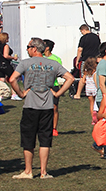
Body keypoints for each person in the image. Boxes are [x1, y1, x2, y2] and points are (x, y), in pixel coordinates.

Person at [9, 37, 75, 179]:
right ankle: (44, 172)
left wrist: (21, 93)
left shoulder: (25, 63)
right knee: (45, 139)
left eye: (28, 47)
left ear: (34, 48)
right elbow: (70, 78)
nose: (27, 50)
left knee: (28, 139)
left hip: (30, 105)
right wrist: (57, 93)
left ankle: (28, 171)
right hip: (47, 106)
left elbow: (12, 79)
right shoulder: (52, 63)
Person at [80, 57, 99, 125]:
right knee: (96, 103)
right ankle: (97, 115)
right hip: (94, 88)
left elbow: (83, 80)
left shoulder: (86, 72)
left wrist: (87, 81)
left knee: (91, 103)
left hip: (88, 88)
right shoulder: (95, 71)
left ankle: (93, 118)